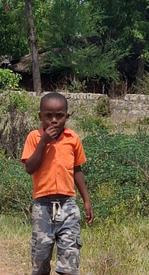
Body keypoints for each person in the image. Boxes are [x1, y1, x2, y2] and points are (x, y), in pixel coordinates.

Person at [21, 92, 93, 275]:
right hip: (43, 207)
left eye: (59, 116)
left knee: (70, 257)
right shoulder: (34, 137)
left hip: (68, 205)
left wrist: (86, 200)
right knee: (40, 257)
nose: (54, 120)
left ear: (66, 117)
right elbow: (30, 167)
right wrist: (44, 142)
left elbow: (77, 170)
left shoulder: (73, 139)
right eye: (48, 116)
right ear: (40, 117)